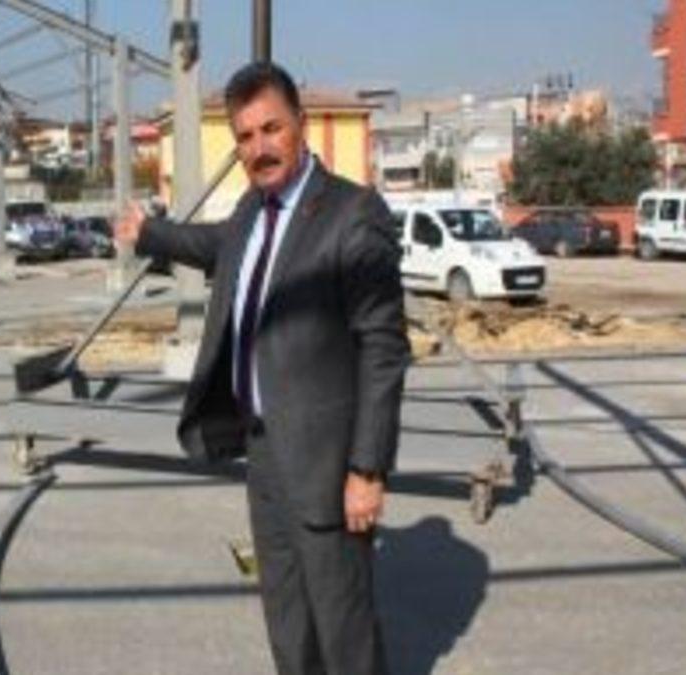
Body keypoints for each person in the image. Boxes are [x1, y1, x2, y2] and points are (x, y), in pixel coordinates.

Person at [114, 62, 409, 675]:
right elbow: (213, 245)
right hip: (264, 450)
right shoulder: (254, 210)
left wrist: (367, 469)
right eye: (245, 136)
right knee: (286, 615)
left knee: (343, 623)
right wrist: (150, 234)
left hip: (328, 461)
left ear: (300, 124)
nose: (259, 148)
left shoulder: (353, 214)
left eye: (271, 129)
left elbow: (383, 348)